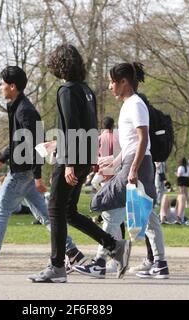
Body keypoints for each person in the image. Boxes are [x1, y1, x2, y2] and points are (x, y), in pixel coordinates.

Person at [0, 66, 86, 275]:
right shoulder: (18, 107)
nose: (0, 87)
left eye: (2, 84)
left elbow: (37, 142)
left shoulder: (25, 111)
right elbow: (17, 141)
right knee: (45, 215)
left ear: (12, 86)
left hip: (23, 172)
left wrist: (37, 177)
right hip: (24, 171)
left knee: (0, 212)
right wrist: (1, 160)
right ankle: (73, 253)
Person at [28, 45, 131, 283]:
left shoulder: (65, 90)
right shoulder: (87, 90)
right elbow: (87, 127)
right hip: (84, 156)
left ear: (59, 65)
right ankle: (113, 244)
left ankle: (56, 267)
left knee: (55, 210)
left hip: (71, 159)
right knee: (68, 211)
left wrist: (68, 163)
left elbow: (71, 127)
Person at [71, 61, 169, 280]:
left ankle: (103, 261)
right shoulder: (129, 104)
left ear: (124, 82)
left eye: (112, 82)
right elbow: (131, 144)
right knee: (145, 216)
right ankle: (158, 263)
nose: (109, 86)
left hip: (138, 164)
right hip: (135, 162)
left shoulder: (135, 104)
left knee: (106, 205)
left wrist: (132, 169)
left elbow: (143, 139)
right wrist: (114, 163)